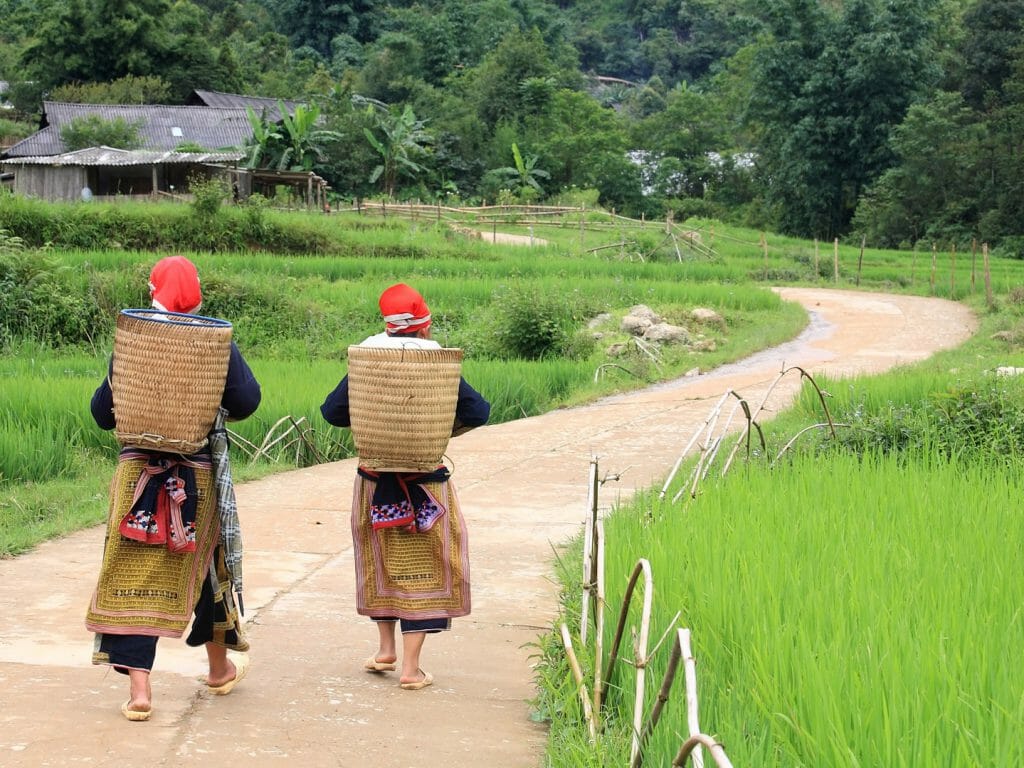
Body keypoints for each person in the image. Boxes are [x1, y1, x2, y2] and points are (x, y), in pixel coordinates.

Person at [86, 255, 261, 721]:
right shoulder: (215, 339)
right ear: (198, 294)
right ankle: (219, 667)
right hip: (195, 477)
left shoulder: (135, 338)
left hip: (136, 474)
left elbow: (104, 414)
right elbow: (246, 401)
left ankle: (140, 691)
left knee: (131, 569)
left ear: (152, 291)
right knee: (205, 565)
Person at [320, 283, 490, 690]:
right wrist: (435, 426)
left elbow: (333, 412)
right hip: (424, 483)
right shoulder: (437, 363)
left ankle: (385, 649)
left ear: (388, 326)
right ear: (424, 328)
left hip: (374, 481)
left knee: (381, 560)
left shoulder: (368, 358)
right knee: (427, 568)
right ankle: (411, 670)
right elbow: (478, 411)